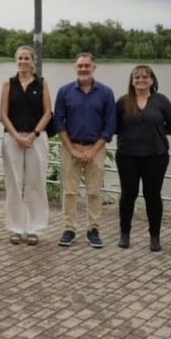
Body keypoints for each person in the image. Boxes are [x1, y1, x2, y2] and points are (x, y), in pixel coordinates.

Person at [53, 52, 116, 248]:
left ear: (94, 67)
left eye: (87, 65)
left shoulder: (106, 93)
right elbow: (58, 121)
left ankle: (93, 229)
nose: (83, 69)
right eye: (80, 66)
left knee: (94, 192)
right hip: (71, 147)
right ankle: (69, 229)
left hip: (95, 148)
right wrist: (71, 148)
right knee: (70, 192)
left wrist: (93, 150)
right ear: (75, 67)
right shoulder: (65, 92)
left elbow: (110, 124)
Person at [115, 65, 171, 252]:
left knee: (153, 196)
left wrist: (156, 132)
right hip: (127, 156)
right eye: (137, 77)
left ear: (152, 80)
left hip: (155, 156)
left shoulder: (161, 101)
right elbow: (114, 127)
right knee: (128, 195)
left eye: (145, 77)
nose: (141, 80)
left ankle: (155, 237)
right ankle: (124, 234)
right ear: (132, 81)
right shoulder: (123, 102)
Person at [0, 46, 53, 246]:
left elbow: (48, 112)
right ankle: (15, 228)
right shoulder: (8, 84)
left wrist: (33, 135)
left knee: (35, 184)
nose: (23, 62)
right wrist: (16, 136)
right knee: (14, 184)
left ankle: (34, 229)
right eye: (20, 58)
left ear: (33, 61)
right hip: (12, 139)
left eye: (26, 58)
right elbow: (3, 114)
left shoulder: (42, 83)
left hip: (36, 139)